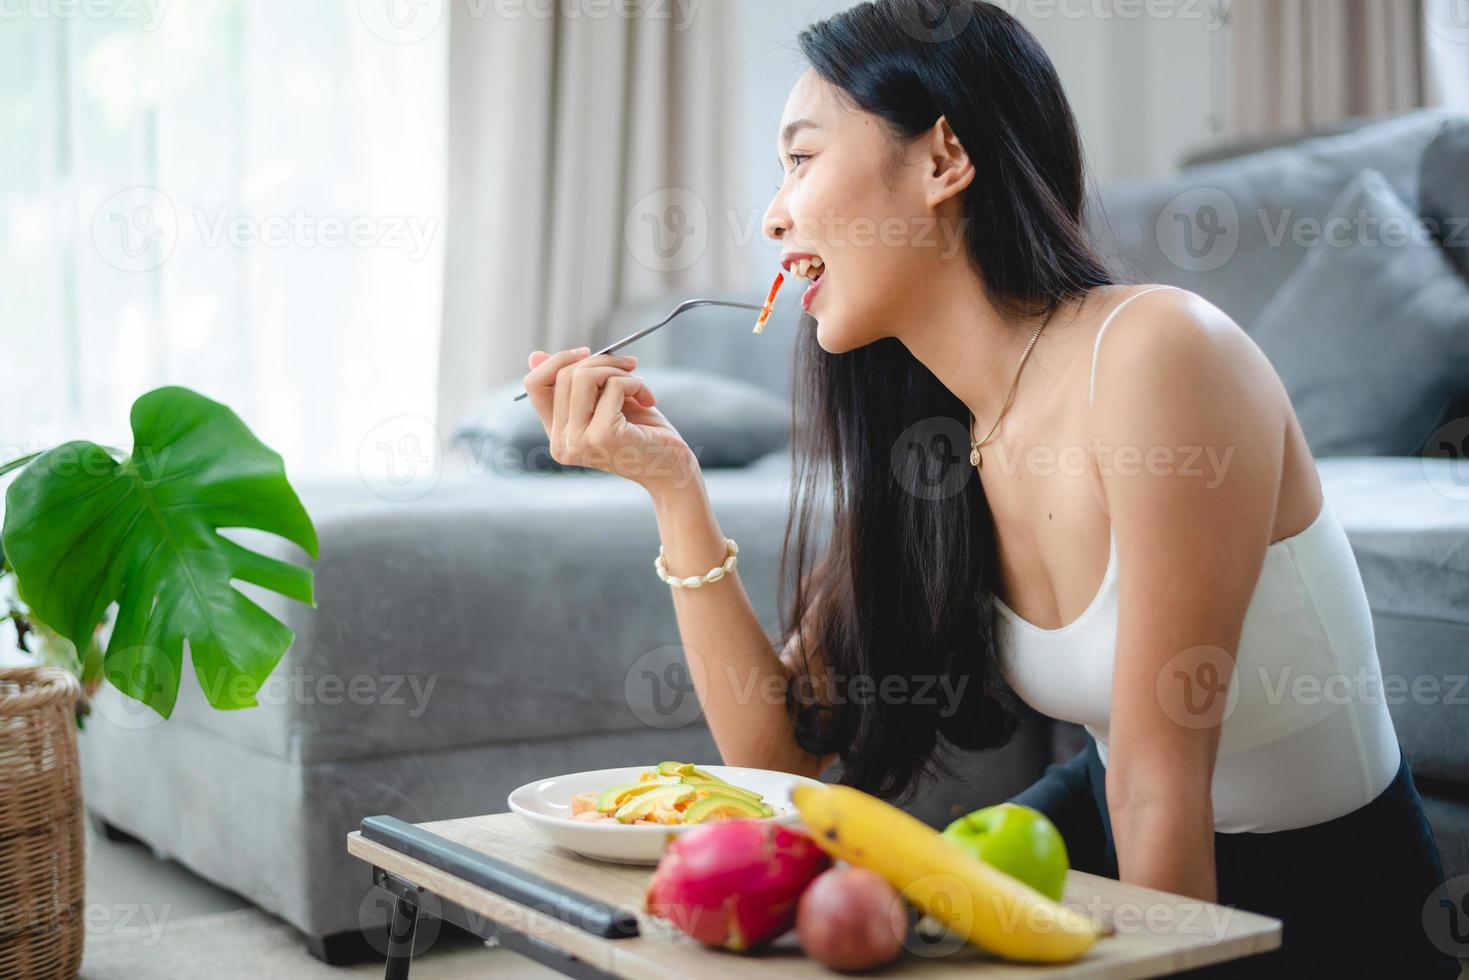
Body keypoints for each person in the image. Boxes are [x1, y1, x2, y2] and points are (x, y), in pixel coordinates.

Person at [520, 2, 1457, 974]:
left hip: (1329, 894)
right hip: (1092, 819)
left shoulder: (1161, 354)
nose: (771, 213)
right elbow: (777, 749)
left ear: (941, 161)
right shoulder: (934, 442)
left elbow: (1158, 781)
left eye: (800, 159)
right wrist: (673, 489)